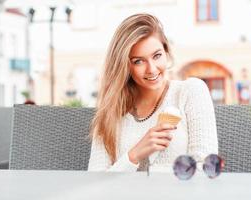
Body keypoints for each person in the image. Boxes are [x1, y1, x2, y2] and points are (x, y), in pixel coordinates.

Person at [88, 13, 218, 172]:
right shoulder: (110, 113)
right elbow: (96, 181)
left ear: (166, 52)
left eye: (157, 56)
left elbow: (206, 168)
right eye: (138, 61)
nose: (152, 69)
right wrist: (134, 155)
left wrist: (152, 175)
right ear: (124, 66)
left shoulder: (190, 92)